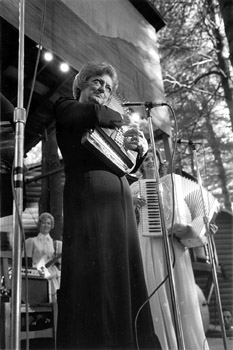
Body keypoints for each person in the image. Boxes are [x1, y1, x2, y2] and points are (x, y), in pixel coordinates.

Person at [54, 61, 161, 350]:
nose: (103, 90)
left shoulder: (105, 120)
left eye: (109, 87)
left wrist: (139, 150)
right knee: (100, 278)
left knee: (127, 276)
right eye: (97, 83)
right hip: (91, 201)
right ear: (81, 84)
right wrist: (121, 119)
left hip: (121, 205)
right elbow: (94, 113)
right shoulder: (67, 107)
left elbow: (125, 166)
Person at [131, 149, 210, 350]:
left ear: (160, 162)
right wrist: (133, 206)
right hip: (149, 241)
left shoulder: (173, 185)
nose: (150, 162)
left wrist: (201, 226)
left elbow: (192, 215)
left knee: (180, 290)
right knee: (155, 286)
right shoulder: (134, 187)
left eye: (153, 159)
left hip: (174, 244)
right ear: (141, 165)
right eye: (146, 159)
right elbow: (125, 218)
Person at [24, 212, 62, 302]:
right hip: (37, 276)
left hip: (52, 277)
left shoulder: (56, 244)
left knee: (54, 302)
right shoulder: (31, 241)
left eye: (48, 223)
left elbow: (58, 263)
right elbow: (27, 262)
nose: (46, 225)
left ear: (51, 225)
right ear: (39, 224)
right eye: (44, 222)